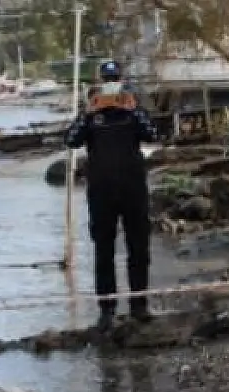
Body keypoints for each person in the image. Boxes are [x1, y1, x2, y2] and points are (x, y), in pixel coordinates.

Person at [65, 60, 159, 332]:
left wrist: (134, 109)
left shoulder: (132, 112)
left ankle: (139, 306)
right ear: (101, 81)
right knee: (103, 250)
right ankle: (107, 309)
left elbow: (153, 134)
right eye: (108, 79)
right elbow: (70, 140)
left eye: (115, 78)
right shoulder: (92, 116)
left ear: (121, 79)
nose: (111, 83)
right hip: (101, 192)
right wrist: (87, 113)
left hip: (133, 189)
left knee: (138, 248)